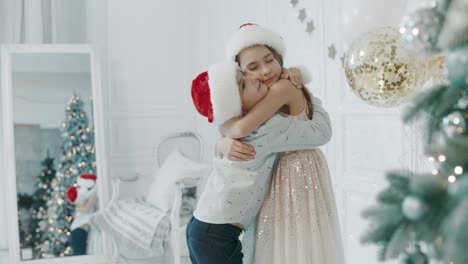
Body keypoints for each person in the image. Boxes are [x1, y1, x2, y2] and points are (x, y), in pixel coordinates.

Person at [216, 23, 345, 264]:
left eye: (269, 60)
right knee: (284, 241)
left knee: (296, 241)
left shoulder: (281, 87)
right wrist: (223, 143)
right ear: (241, 74)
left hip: (295, 171)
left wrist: (225, 135)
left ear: (279, 58)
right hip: (280, 172)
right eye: (253, 67)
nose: (265, 70)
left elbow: (242, 127)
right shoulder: (262, 93)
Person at [187, 60, 332, 264]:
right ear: (236, 107)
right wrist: (305, 93)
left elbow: (225, 126)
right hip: (215, 234)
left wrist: (222, 142)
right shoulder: (267, 128)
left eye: (244, 75)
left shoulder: (240, 127)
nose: (253, 78)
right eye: (243, 84)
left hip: (204, 225)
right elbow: (322, 133)